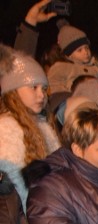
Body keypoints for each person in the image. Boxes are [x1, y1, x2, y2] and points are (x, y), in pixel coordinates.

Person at [0, 46, 61, 210]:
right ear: (12, 91)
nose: (41, 95)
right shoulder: (6, 129)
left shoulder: (43, 125)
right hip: (32, 222)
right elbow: (19, 189)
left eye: (44, 89)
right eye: (33, 87)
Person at [45, 20, 98, 95]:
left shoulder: (96, 67)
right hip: (74, 103)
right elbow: (53, 85)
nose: (85, 52)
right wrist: (69, 95)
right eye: (79, 50)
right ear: (69, 54)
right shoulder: (61, 67)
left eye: (87, 48)